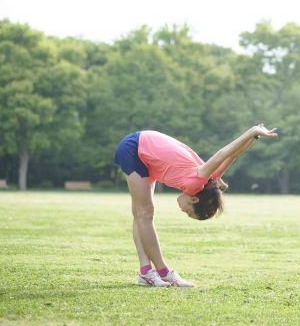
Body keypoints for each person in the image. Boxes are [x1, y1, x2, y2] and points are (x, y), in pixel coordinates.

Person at [113, 123, 277, 287]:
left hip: (146, 149)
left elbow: (233, 157)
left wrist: (254, 138)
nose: (183, 210)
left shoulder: (211, 179)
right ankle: (163, 272)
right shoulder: (196, 182)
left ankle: (146, 272)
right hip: (135, 148)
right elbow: (223, 154)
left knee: (141, 214)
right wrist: (252, 132)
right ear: (194, 199)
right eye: (188, 212)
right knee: (145, 213)